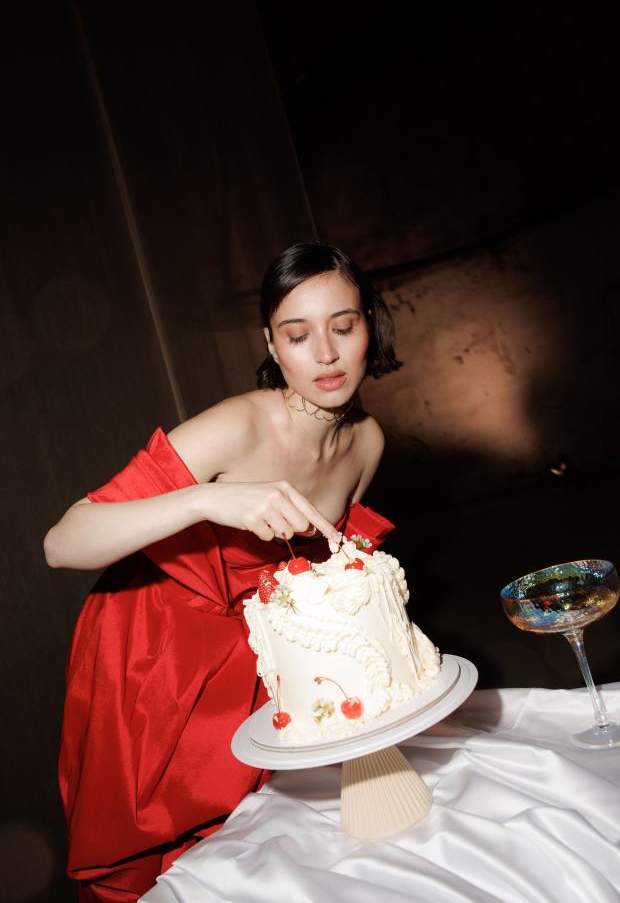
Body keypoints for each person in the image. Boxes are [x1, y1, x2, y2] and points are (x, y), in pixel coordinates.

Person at [44, 241, 402, 902]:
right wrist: (207, 498)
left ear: (368, 328)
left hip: (259, 654)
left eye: (342, 327)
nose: (324, 354)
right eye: (298, 335)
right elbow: (63, 543)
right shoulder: (236, 427)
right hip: (153, 655)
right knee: (171, 860)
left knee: (275, 857)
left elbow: (332, 578)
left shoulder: (368, 442)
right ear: (272, 343)